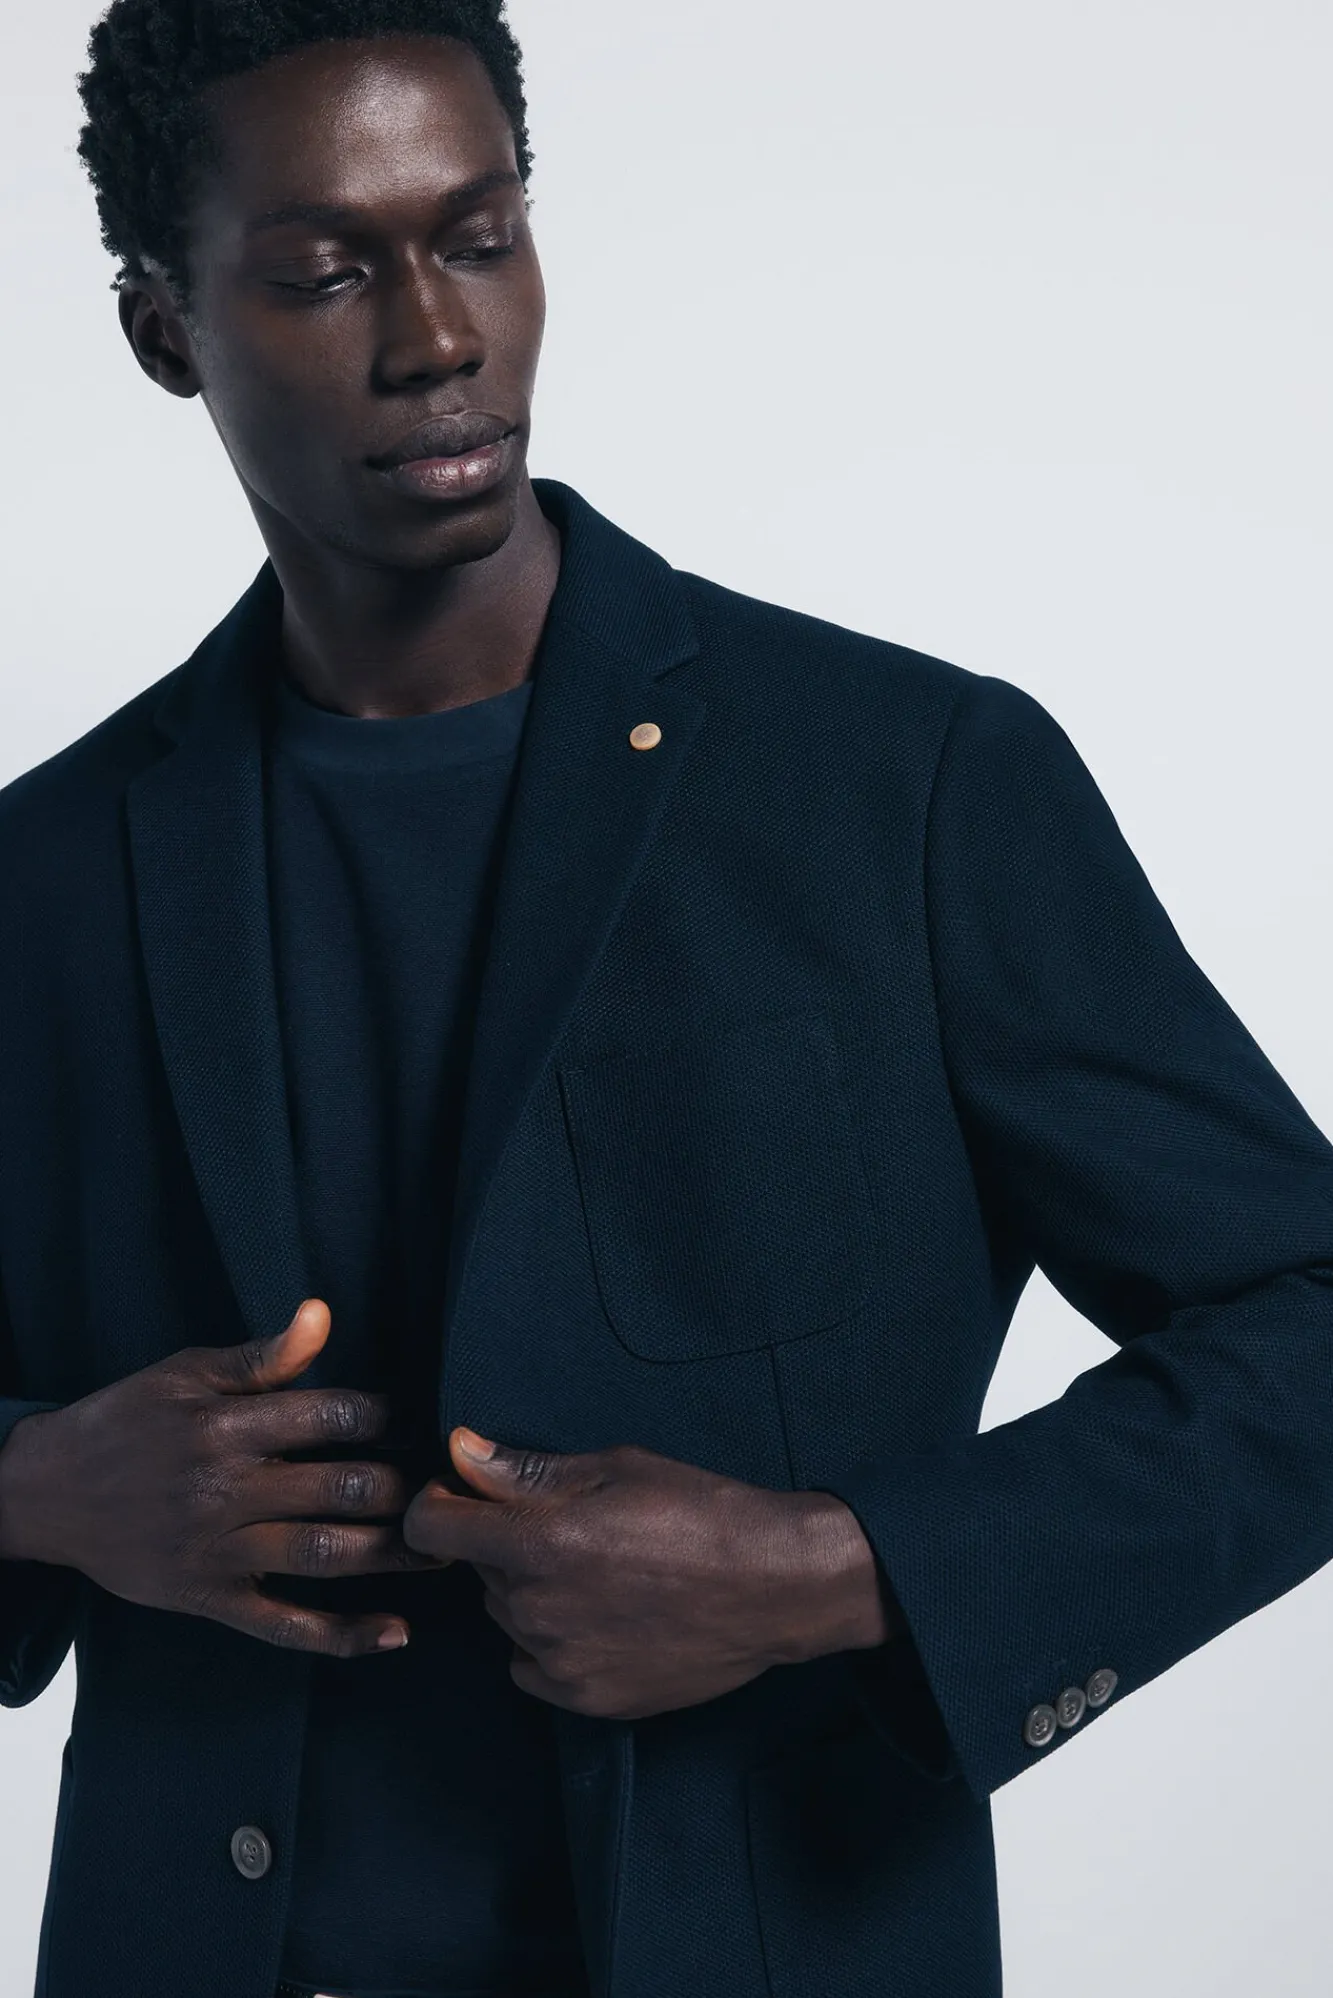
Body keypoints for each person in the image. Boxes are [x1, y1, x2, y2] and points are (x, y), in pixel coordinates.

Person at [3, 4, 1333, 1996]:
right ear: (162, 330)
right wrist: (32, 1488)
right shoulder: (46, 874)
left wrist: (841, 1571)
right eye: (326, 272)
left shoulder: (904, 782)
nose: (437, 337)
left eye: (480, 236)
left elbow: (1307, 1320)